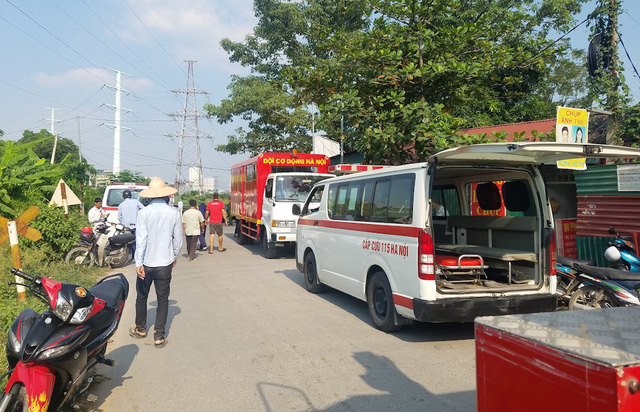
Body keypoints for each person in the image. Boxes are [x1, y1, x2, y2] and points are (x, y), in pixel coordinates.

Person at [129, 177, 182, 349]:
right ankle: (159, 336)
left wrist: (138, 263)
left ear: (150, 196)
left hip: (147, 263)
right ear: (166, 195)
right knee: (163, 300)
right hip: (164, 263)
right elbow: (178, 240)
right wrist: (173, 256)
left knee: (142, 297)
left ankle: (141, 328)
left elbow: (141, 240)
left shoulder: (144, 212)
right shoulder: (174, 213)